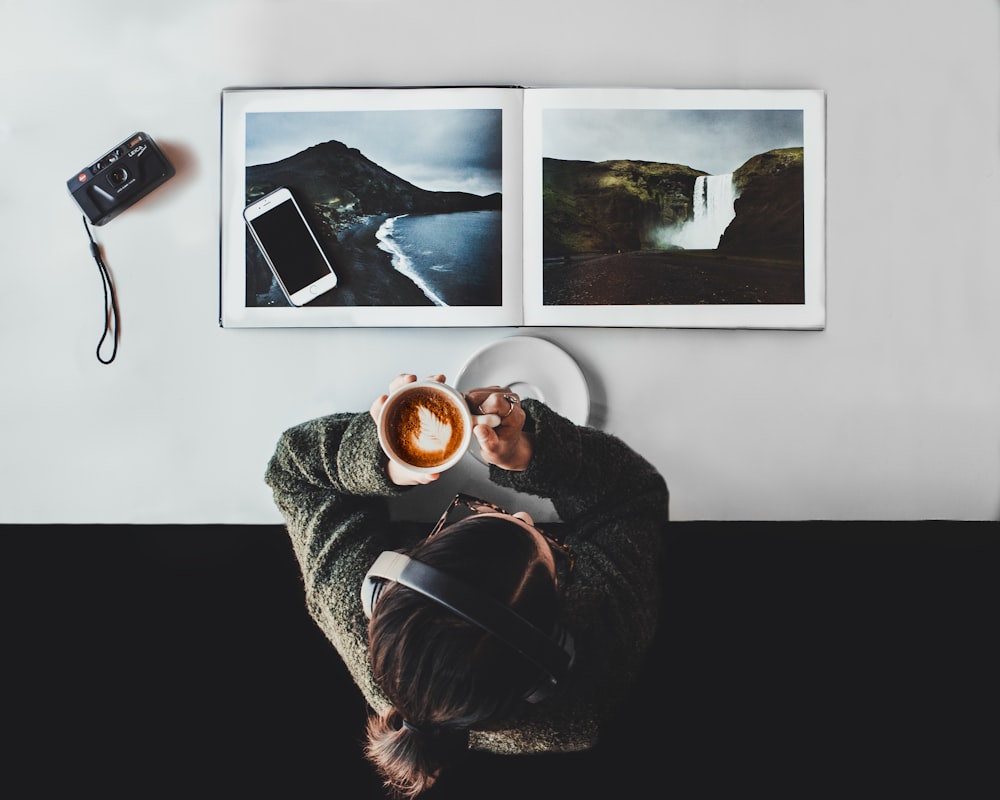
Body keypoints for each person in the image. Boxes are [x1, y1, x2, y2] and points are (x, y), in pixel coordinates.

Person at [265, 373, 668, 798]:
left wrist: (385, 463)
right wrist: (537, 455)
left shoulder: (356, 613)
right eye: (552, 550)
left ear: (386, 584)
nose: (526, 517)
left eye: (474, 517)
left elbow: (293, 470)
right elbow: (634, 496)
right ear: (560, 628)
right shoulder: (598, 649)